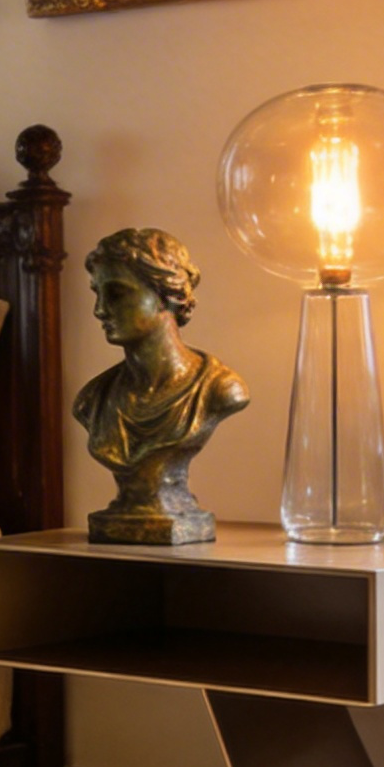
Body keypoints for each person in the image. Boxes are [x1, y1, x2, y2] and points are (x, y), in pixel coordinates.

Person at [74, 228, 248, 542]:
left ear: (166, 295)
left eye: (117, 293)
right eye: (96, 294)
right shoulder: (92, 400)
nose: (99, 310)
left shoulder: (220, 390)